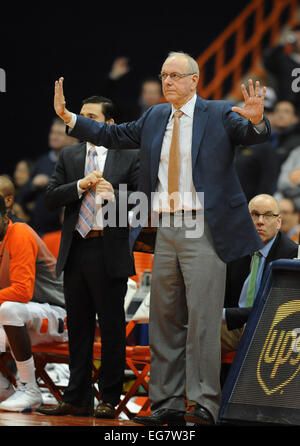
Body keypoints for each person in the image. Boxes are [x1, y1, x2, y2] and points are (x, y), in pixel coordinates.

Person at [52, 51, 270, 426]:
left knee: (203, 318)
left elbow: (249, 134)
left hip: (204, 224)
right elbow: (113, 134)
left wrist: (257, 121)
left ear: (193, 80)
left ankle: (203, 403)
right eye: (163, 75)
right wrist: (71, 119)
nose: (167, 81)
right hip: (165, 226)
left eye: (174, 75)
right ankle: (166, 403)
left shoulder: (217, 113)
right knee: (165, 319)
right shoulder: (154, 116)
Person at [37, 96, 139, 419]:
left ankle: (109, 397)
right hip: (77, 249)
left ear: (108, 124)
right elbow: (51, 198)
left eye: (90, 116)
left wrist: (116, 198)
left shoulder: (129, 156)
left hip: (109, 250)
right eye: (81, 116)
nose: (82, 121)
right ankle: (77, 396)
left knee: (111, 329)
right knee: (78, 328)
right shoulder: (70, 155)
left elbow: (142, 206)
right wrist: (79, 185)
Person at [0, 195, 67, 412]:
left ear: (4, 216)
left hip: (60, 314)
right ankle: (5, 389)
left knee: (9, 309)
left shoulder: (19, 232)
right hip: (25, 320)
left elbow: (21, 292)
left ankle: (30, 389)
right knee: (8, 311)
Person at [222, 194, 298, 355]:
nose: (260, 221)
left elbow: (275, 308)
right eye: (255, 214)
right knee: (197, 333)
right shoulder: (235, 249)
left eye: (268, 215)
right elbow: (224, 296)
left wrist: (225, 315)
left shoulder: (290, 253)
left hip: (269, 327)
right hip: (234, 325)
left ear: (278, 222)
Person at [21, 118, 78, 236]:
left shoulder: (76, 163)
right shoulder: (42, 161)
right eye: (52, 132)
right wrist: (33, 184)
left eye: (59, 134)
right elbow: (22, 194)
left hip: (64, 232)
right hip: (39, 231)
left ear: (72, 138)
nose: (54, 137)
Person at [263, 24, 300, 114]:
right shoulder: (282, 59)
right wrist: (283, 43)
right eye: (297, 38)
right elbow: (268, 61)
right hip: (285, 107)